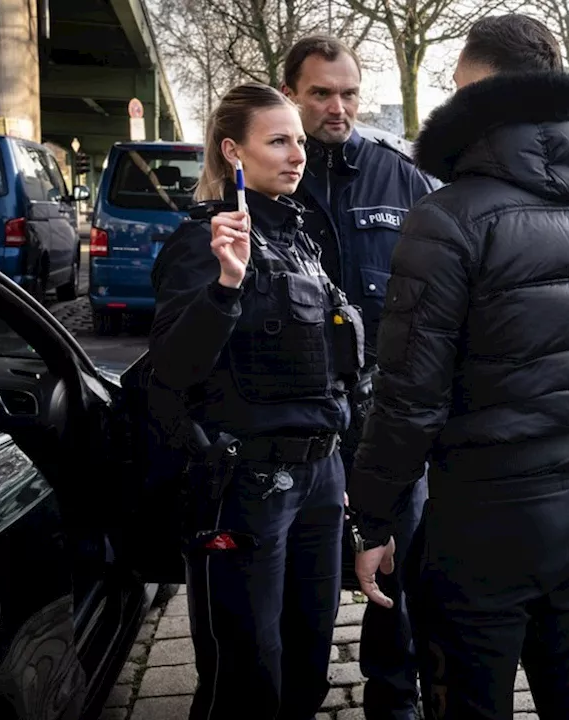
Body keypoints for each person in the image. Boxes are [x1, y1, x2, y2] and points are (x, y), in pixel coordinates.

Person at [348, 14, 569, 719]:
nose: (449, 102)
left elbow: (408, 395)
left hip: (482, 509)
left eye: (455, 86)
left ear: (481, 86)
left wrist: (374, 518)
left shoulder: (448, 215)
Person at [148, 82, 359, 719]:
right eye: (279, 141)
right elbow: (173, 369)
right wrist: (225, 286)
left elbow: (334, 370)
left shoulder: (300, 239)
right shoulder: (204, 244)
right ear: (234, 153)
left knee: (307, 658)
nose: (297, 153)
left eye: (298, 140)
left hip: (321, 479)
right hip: (248, 486)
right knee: (247, 674)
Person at [281, 35, 435, 720]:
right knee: (297, 577)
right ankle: (292, 693)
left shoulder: (400, 177)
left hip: (386, 415)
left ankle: (392, 699)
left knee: (397, 571)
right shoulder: (266, 174)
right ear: (291, 94)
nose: (337, 108)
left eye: (347, 93)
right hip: (295, 417)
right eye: (320, 94)